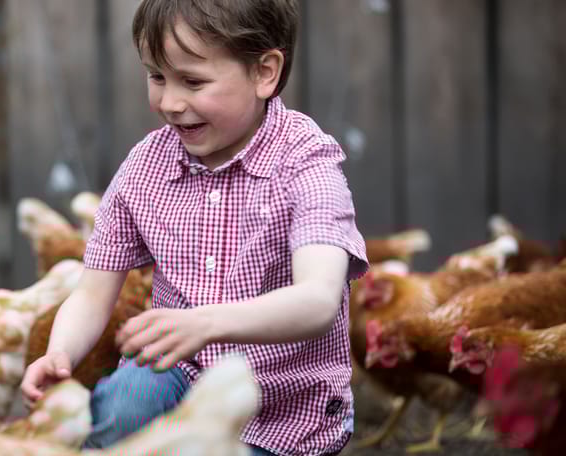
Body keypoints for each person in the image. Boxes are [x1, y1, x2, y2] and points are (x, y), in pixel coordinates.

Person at [21, 0, 368, 454]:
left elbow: (318, 300)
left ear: (265, 72)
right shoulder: (146, 167)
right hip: (177, 374)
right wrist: (60, 353)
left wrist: (205, 323)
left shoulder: (306, 164)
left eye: (193, 81)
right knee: (124, 402)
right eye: (157, 77)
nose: (169, 102)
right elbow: (91, 292)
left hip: (284, 406)